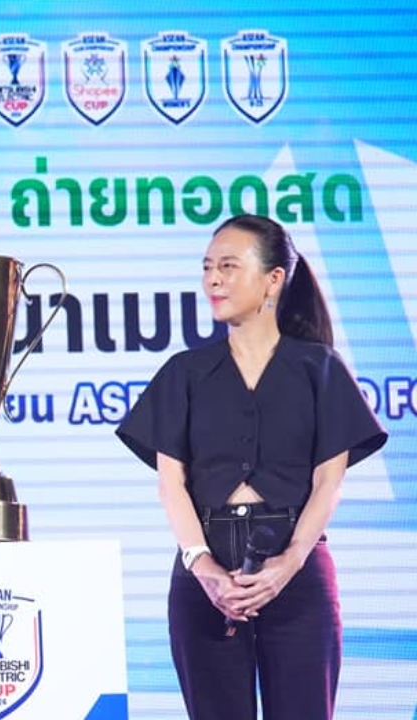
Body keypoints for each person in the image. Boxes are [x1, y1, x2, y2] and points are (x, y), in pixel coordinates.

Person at [116, 214, 387, 720]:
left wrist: (290, 562)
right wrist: (204, 567)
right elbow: (171, 484)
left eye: (228, 267)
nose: (212, 280)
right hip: (205, 577)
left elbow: (329, 481)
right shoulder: (183, 372)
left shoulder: (320, 368)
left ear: (273, 280)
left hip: (298, 569)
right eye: (207, 268)